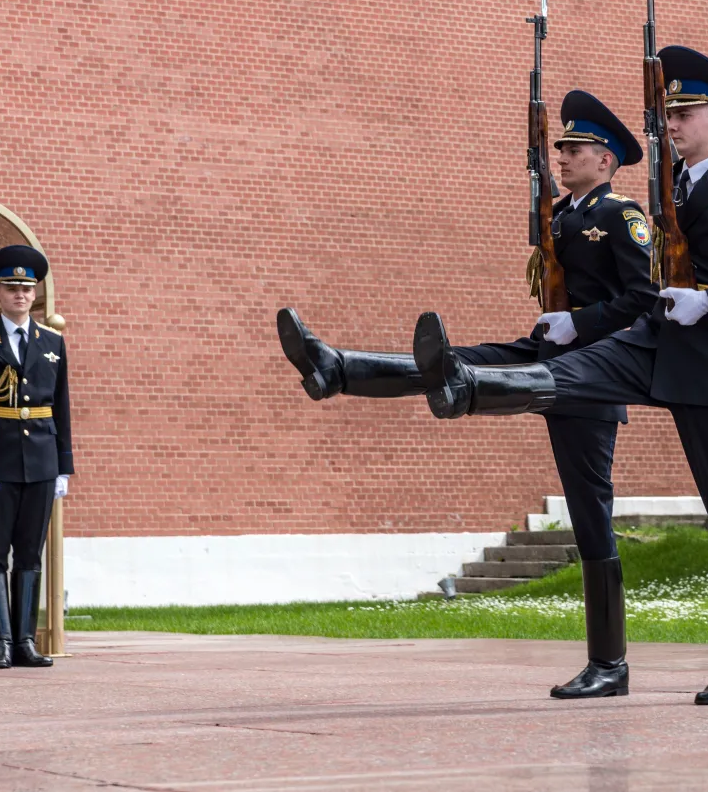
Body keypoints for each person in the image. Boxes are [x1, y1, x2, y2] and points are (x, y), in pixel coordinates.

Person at [410, 47, 708, 705]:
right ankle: (468, 389)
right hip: (653, 341)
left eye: (685, 113)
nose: (673, 124)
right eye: (669, 114)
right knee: (566, 371)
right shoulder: (665, 196)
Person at [277, 91, 656, 698]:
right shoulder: (561, 215)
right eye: (558, 149)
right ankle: (338, 367)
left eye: (574, 149)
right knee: (455, 361)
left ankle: (609, 663)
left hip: (592, 372)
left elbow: (644, 296)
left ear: (606, 160)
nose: (563, 157)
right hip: (551, 353)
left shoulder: (622, 214)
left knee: (590, 516)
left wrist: (578, 323)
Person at [0, 245, 73, 669]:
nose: (21, 295)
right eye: (12, 288)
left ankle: (25, 640)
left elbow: (61, 406)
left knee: (31, 550)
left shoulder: (53, 342)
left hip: (42, 460)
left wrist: (64, 465)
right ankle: (1, 640)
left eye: (27, 288)